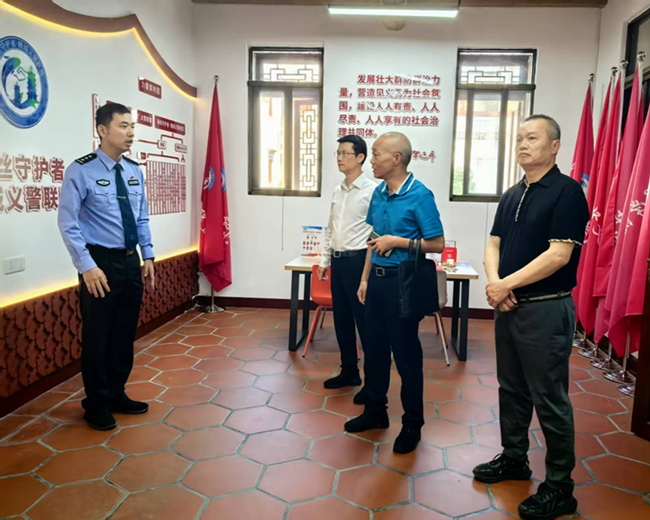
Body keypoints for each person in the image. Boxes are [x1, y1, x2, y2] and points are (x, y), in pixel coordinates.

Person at [473, 115, 589, 520]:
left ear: (554, 146)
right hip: (509, 306)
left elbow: (559, 255)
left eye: (533, 138)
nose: (523, 144)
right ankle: (514, 458)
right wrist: (496, 284)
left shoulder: (567, 192)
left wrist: (505, 285)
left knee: (549, 398)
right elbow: (493, 243)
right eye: (519, 137)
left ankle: (559, 487)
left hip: (546, 308)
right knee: (512, 388)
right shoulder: (512, 194)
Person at [344, 132, 445, 455]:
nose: (371, 160)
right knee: (374, 351)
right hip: (376, 282)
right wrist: (364, 279)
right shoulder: (379, 193)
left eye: (376, 154)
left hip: (403, 284)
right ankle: (375, 411)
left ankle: (412, 424)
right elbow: (374, 239)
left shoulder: (420, 195)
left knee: (405, 356)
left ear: (396, 159)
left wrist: (398, 242)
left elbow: (437, 243)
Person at [58, 103, 155, 431]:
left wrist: (148, 255)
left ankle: (116, 393)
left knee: (124, 333)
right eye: (123, 126)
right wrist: (86, 266)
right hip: (99, 264)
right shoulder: (81, 170)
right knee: (98, 335)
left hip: (130, 260)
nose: (131, 133)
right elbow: (68, 223)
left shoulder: (133, 170)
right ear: (102, 130)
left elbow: (141, 217)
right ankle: (96, 402)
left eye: (132, 126)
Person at [318, 136, 376, 394]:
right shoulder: (337, 190)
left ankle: (372, 382)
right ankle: (349, 371)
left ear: (360, 157)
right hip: (339, 262)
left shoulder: (373, 190)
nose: (340, 158)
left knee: (365, 323)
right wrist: (325, 259)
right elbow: (331, 228)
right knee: (341, 320)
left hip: (360, 262)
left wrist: (366, 273)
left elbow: (376, 232)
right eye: (338, 153)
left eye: (345, 154)